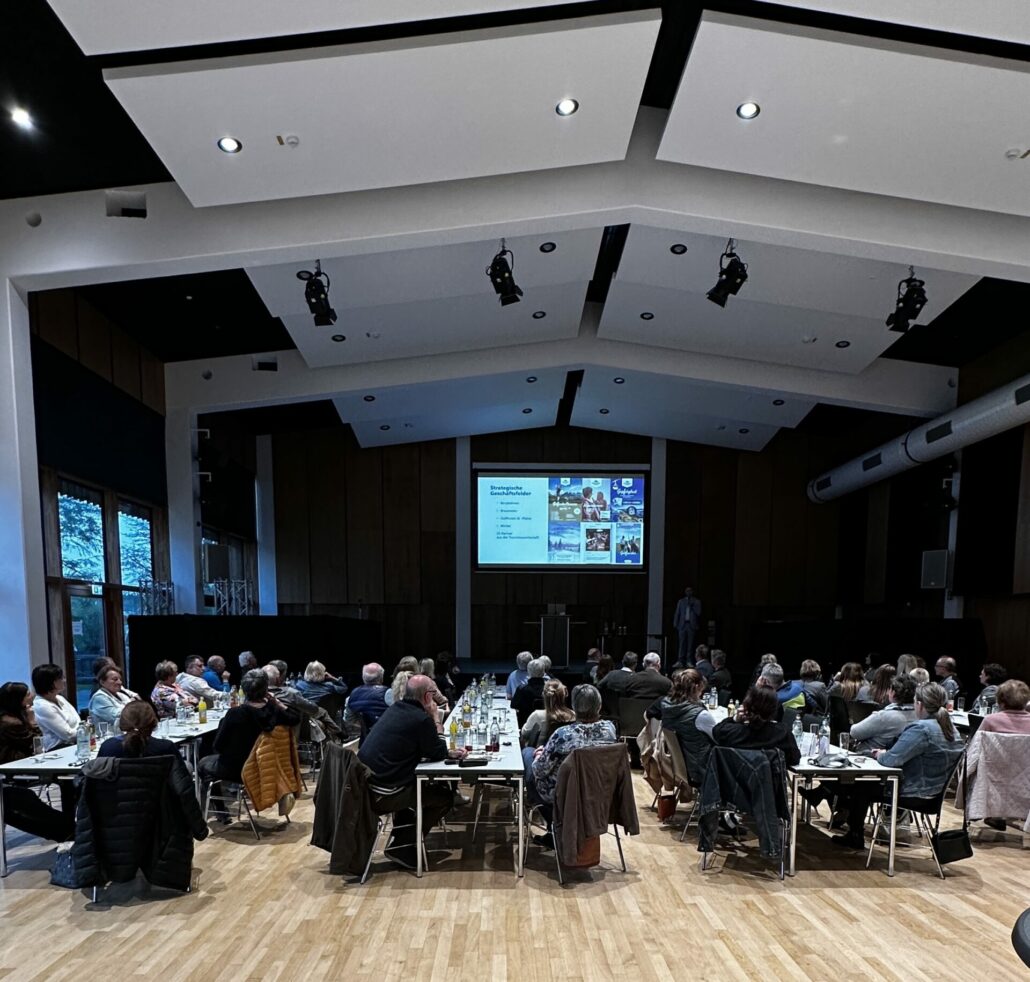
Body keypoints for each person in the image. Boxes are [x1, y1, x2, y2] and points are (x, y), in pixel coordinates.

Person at [828, 682, 964, 850]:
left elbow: (890, 761)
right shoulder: (952, 729)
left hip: (913, 792)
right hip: (934, 795)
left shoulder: (921, 729)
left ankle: (854, 834)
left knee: (860, 785)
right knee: (864, 785)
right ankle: (852, 830)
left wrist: (879, 754)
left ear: (919, 704)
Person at [357, 675, 462, 869]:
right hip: (384, 794)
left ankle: (402, 841)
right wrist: (435, 719)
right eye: (434, 693)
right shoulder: (420, 719)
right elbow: (437, 752)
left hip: (367, 786)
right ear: (427, 697)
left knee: (422, 788)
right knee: (444, 797)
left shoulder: (395, 709)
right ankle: (402, 847)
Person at [198, 669, 299, 820]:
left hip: (239, 770)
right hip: (266, 768)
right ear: (266, 690)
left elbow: (218, 746)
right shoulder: (274, 711)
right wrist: (277, 702)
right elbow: (295, 718)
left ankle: (221, 812)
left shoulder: (235, 714)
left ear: (244, 690)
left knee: (203, 763)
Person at [0, 682, 74, 842]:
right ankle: (70, 826)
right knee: (66, 777)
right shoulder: (10, 723)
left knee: (67, 777)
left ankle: (71, 823)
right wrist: (32, 720)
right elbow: (35, 742)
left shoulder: (14, 716)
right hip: (16, 769)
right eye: (27, 694)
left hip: (24, 762)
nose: (32, 695)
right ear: (17, 699)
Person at [527, 684, 617, 815]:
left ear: (574, 707)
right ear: (599, 706)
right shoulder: (610, 730)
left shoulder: (563, 735)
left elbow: (539, 771)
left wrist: (538, 755)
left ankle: (549, 820)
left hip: (562, 794)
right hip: (598, 791)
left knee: (527, 753)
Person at [646, 669, 717, 784]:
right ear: (697, 687)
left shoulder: (665, 705)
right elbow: (719, 738)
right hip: (700, 770)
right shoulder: (701, 715)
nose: (701, 694)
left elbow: (648, 714)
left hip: (675, 767)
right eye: (701, 690)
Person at [710, 686, 801, 767]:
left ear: (746, 706)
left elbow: (716, 731)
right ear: (774, 709)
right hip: (768, 780)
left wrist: (734, 719)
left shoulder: (732, 732)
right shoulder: (783, 734)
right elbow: (794, 759)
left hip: (733, 780)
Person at [264, 663, 341, 740]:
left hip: (264, 738)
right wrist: (333, 678)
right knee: (323, 711)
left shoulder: (298, 685)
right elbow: (343, 688)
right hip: (295, 733)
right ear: (278, 679)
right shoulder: (329, 686)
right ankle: (339, 734)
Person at [848, 673, 917, 751]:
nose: (887, 693)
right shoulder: (919, 715)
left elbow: (854, 732)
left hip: (869, 755)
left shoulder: (886, 716)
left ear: (893, 693)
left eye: (889, 689)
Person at [98, 699, 177, 758]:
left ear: (122, 723)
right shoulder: (166, 747)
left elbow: (97, 774)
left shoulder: (108, 747)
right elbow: (180, 775)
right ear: (154, 723)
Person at [31, 664, 81, 750]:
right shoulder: (42, 706)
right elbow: (67, 735)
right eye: (61, 678)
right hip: (57, 749)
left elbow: (78, 721)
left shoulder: (60, 698)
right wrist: (84, 731)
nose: (64, 680)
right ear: (51, 682)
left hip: (75, 743)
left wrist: (83, 730)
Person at [521, 680, 575, 749]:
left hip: (541, 752)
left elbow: (524, 733)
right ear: (564, 695)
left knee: (527, 750)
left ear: (543, 695)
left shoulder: (538, 715)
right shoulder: (573, 715)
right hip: (566, 753)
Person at [345, 663, 389, 731]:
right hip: (388, 733)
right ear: (381, 678)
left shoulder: (351, 697)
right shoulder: (389, 694)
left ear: (363, 678)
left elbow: (349, 721)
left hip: (366, 736)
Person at [595, 652, 638, 717]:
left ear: (622, 662)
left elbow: (598, 686)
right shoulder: (636, 678)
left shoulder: (611, 674)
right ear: (635, 664)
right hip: (627, 713)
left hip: (608, 712)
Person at [511, 658, 548, 728]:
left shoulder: (521, 689)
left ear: (528, 672)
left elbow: (513, 705)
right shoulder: (550, 689)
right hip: (547, 725)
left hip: (525, 725)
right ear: (544, 673)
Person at [673, 587, 702, 668]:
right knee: (681, 643)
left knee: (690, 644)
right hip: (682, 625)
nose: (688, 592)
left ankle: (689, 661)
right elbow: (677, 613)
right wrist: (675, 623)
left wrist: (692, 605)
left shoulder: (696, 601)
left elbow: (698, 613)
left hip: (691, 625)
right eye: (687, 591)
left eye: (690, 591)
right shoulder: (681, 601)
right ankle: (680, 660)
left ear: (692, 592)